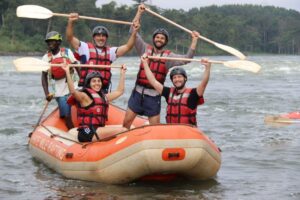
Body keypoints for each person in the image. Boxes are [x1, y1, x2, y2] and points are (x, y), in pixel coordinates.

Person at [123, 4, 201, 129]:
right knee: (126, 124)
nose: (159, 39)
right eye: (157, 37)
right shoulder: (143, 48)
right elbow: (132, 31)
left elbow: (188, 58)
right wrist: (139, 12)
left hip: (154, 97)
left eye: (162, 38)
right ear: (154, 39)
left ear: (165, 42)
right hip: (137, 93)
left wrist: (194, 40)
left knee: (155, 129)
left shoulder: (168, 58)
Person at [66, 13, 140, 93]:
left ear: (106, 38)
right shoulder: (85, 48)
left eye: (103, 36)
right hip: (86, 89)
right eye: (98, 35)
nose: (101, 38)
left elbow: (128, 47)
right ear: (94, 38)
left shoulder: (111, 52)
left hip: (102, 90)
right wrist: (71, 22)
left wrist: (135, 32)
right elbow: (70, 38)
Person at [63, 62, 128, 142]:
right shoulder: (85, 96)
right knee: (123, 130)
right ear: (89, 83)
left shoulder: (104, 97)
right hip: (87, 132)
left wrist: (122, 73)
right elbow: (73, 92)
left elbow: (119, 91)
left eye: (99, 81)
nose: (97, 83)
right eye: (94, 81)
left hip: (97, 129)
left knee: (129, 128)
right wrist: (67, 71)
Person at [141, 55, 211, 126]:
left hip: (187, 132)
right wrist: (145, 63)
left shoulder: (193, 94)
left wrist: (207, 67)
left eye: (179, 77)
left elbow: (204, 83)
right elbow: (153, 81)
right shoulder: (168, 93)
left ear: (185, 78)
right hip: (172, 131)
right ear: (172, 80)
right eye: (174, 78)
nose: (177, 79)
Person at [41, 31, 77, 129]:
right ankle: (73, 133)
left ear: (58, 42)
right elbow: (44, 77)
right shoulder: (46, 58)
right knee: (66, 116)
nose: (49, 44)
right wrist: (47, 93)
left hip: (74, 87)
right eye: (48, 42)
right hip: (59, 92)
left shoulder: (67, 52)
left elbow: (77, 66)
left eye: (52, 41)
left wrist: (83, 81)